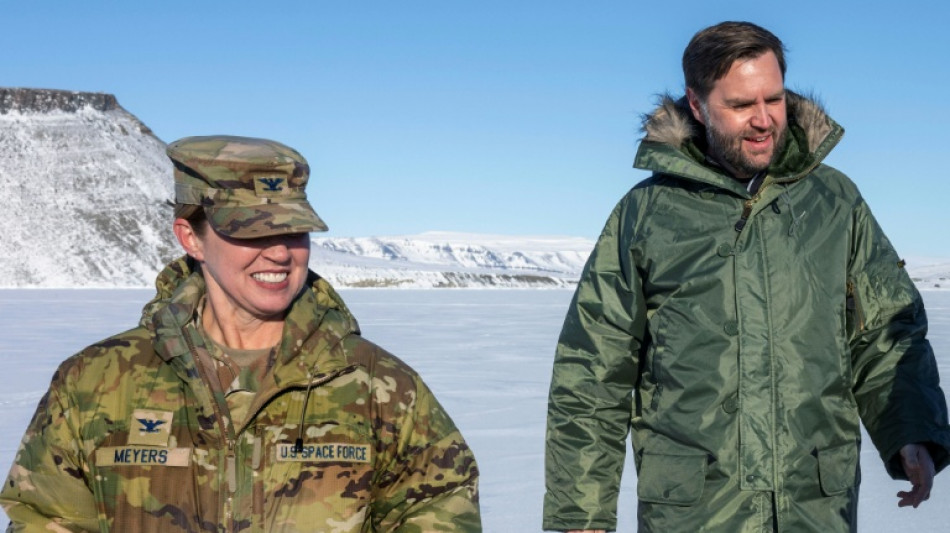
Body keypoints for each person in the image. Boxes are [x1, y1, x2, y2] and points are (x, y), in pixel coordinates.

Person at [543, 21, 950, 532]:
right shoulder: (646, 215)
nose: (763, 120)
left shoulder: (835, 202)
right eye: (740, 105)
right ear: (697, 104)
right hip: (695, 513)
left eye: (773, 100)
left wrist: (910, 430)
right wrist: (581, 516)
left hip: (816, 508)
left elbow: (886, 333)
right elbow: (591, 374)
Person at [1, 135, 481, 532]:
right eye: (251, 233)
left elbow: (441, 509)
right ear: (191, 238)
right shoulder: (96, 383)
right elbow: (42, 515)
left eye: (294, 233)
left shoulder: (381, 387)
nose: (279, 253)